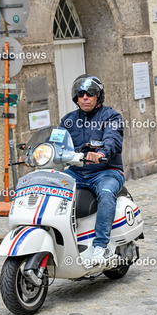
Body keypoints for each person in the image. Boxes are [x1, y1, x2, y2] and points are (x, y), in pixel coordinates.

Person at [59, 74, 125, 265]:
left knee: (106, 193)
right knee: (53, 189)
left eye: (90, 94)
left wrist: (102, 152)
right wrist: (39, 153)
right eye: (81, 94)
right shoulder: (68, 120)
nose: (85, 98)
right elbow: (57, 143)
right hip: (77, 171)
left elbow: (113, 139)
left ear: (98, 96)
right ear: (76, 98)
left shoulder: (111, 116)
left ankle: (100, 246)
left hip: (106, 171)